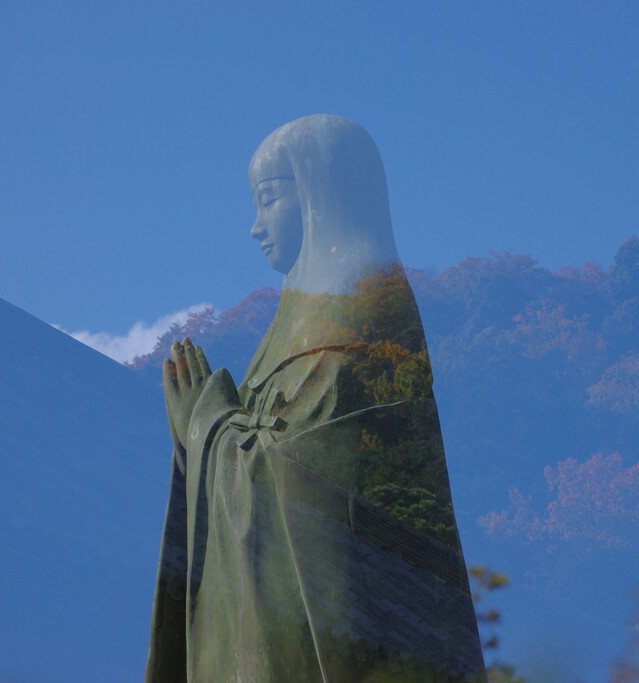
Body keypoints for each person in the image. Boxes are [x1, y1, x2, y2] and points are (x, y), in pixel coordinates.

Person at [146, 115, 486, 682]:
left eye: (269, 200)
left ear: (319, 193)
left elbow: (305, 490)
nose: (255, 227)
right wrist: (206, 433)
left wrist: (207, 425)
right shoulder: (288, 333)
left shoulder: (360, 320)